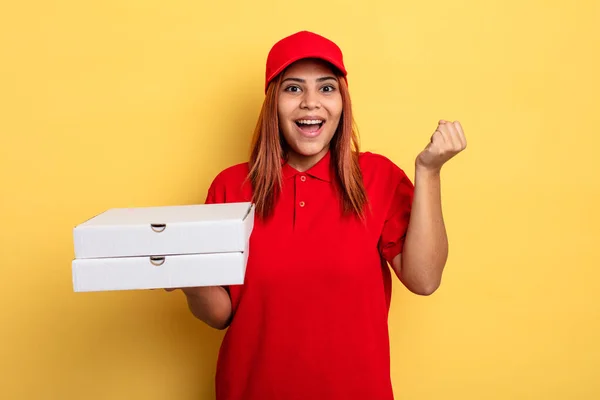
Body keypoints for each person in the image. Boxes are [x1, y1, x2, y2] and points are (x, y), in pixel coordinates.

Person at [169, 30, 467, 400]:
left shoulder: (377, 178)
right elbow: (220, 315)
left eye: (326, 88)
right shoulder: (232, 186)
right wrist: (186, 275)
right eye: (293, 89)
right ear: (273, 102)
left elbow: (424, 280)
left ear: (343, 101)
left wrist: (429, 172)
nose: (311, 103)